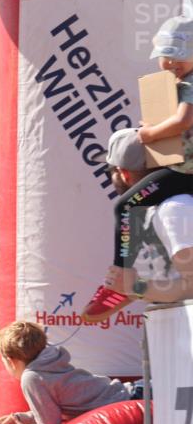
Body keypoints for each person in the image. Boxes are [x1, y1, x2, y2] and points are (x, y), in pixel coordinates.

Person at [82, 17, 193, 321]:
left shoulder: (190, 84)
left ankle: (122, 280)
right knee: (133, 206)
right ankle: (130, 282)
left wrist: (149, 134)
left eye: (178, 54)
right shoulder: (178, 85)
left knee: (125, 205)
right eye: (165, 55)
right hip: (182, 172)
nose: (170, 62)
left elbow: (183, 121)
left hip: (186, 174)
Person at [81, 128, 193, 322]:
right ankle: (121, 275)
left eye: (110, 172)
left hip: (185, 342)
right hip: (176, 341)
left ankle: (121, 271)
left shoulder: (175, 210)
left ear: (123, 173)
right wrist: (133, 288)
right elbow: (167, 285)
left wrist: (130, 286)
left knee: (125, 208)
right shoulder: (151, 214)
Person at [0, 321, 130, 424]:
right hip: (129, 393)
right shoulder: (49, 361)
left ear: (11, 361)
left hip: (126, 402)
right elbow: (56, 408)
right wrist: (20, 418)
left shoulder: (31, 377)